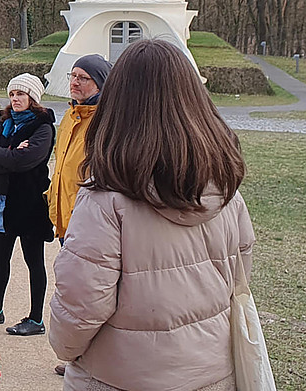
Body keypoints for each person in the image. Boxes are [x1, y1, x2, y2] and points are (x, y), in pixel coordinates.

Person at [49, 39, 254, 391]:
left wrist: (67, 350)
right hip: (209, 370)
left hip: (118, 377)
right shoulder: (223, 186)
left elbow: (81, 305)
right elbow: (239, 273)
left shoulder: (105, 197)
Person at [0, 73, 55, 337]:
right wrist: (10, 152)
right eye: (12, 94)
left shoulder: (43, 127)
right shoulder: (3, 121)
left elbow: (26, 161)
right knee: (0, 258)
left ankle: (36, 319)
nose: (15, 98)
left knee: (33, 261)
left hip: (29, 202)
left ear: (32, 97)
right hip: (2, 198)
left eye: (21, 94)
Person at [47, 53, 112, 242]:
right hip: (64, 217)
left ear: (99, 84)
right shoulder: (70, 115)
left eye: (83, 78)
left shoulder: (105, 121)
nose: (74, 82)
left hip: (89, 224)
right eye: (73, 76)